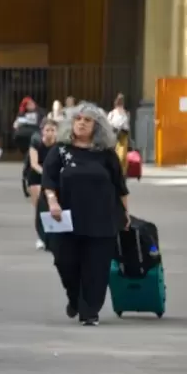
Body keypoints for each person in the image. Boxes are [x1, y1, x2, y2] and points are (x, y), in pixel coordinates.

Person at [41, 102, 129, 326]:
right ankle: (74, 298)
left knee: (97, 267)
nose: (81, 123)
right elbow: (48, 180)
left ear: (96, 127)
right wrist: (52, 202)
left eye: (87, 120)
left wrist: (126, 213)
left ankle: (89, 311)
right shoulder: (59, 151)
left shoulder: (106, 155)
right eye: (78, 119)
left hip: (102, 219)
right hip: (66, 218)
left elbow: (120, 187)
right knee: (65, 262)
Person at [28, 119, 58, 250]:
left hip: (53, 177)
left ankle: (53, 236)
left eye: (52, 130)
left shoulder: (59, 145)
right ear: (42, 132)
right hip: (37, 176)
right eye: (47, 130)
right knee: (40, 208)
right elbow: (34, 164)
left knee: (52, 207)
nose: (50, 133)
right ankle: (40, 237)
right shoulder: (36, 143)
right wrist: (45, 173)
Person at [108, 93, 130, 176]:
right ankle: (116, 171)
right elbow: (109, 123)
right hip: (114, 135)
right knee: (116, 154)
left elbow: (127, 125)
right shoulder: (112, 113)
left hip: (122, 135)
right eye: (119, 101)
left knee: (122, 155)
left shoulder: (126, 113)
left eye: (121, 101)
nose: (120, 103)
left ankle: (121, 172)